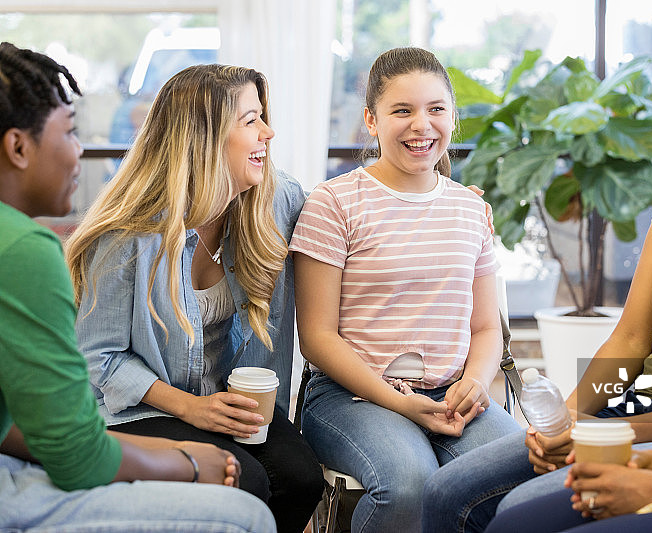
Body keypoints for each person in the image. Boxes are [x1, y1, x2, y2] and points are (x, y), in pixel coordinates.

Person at [422, 52, 652, 533]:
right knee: (445, 491)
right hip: (636, 401)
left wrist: (606, 433)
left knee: (515, 513)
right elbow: (631, 339)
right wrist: (568, 419)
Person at [0, 42, 274, 532]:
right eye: (71, 132)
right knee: (246, 515)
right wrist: (187, 462)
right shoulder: (24, 250)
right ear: (18, 148)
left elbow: (17, 429)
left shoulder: (258, 205)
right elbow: (76, 455)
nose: (81, 150)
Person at [65, 64, 323, 532]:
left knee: (301, 479)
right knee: (244, 481)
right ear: (205, 137)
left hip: (228, 401)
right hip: (139, 409)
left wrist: (446, 202)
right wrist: (190, 408)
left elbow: (351, 225)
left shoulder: (276, 199)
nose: (269, 131)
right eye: (250, 120)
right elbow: (95, 359)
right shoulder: (131, 234)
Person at [289, 46, 521, 533]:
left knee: (519, 477)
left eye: (436, 109)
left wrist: (475, 385)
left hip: (453, 392)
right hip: (352, 397)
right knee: (411, 484)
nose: (422, 125)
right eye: (402, 111)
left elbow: (484, 327)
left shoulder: (470, 209)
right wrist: (399, 402)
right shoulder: (332, 203)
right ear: (371, 120)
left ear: (452, 118)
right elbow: (316, 336)